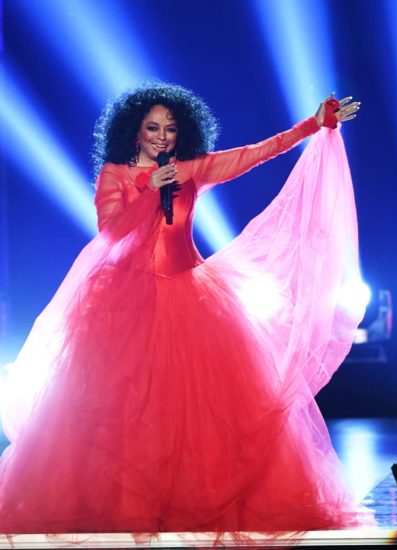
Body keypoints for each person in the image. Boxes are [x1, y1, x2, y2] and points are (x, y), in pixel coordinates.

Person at [0, 82, 367, 537]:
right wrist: (145, 188)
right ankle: (126, 503)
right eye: (152, 127)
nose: (161, 136)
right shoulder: (115, 174)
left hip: (190, 299)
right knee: (126, 411)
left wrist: (312, 125)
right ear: (134, 131)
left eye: (170, 129)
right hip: (125, 306)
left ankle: (192, 499)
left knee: (201, 415)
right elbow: (111, 234)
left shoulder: (189, 170)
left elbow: (254, 154)